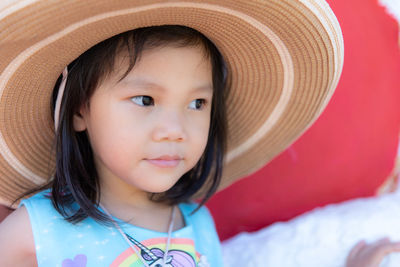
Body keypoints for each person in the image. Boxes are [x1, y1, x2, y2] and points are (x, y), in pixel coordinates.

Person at [0, 1, 344, 266]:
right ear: (79, 110)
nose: (175, 131)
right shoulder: (36, 228)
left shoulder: (195, 221)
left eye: (197, 103)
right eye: (145, 99)